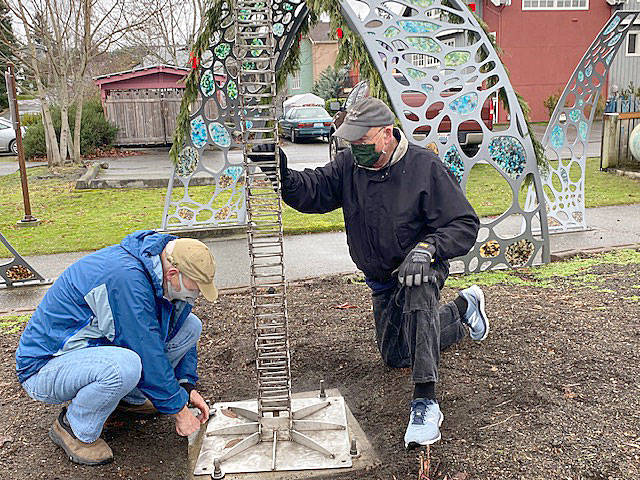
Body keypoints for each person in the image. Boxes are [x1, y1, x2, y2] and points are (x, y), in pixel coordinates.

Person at [251, 97, 490, 449]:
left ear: (385, 134)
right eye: (351, 142)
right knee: (397, 356)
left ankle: (426, 401)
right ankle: (463, 310)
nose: (355, 148)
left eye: (362, 142)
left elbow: (464, 224)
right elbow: (313, 191)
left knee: (418, 289)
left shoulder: (425, 167)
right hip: (380, 278)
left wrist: (427, 249)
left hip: (419, 265)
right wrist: (280, 174)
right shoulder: (349, 166)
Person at [15, 231, 218, 465]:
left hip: (92, 353)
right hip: (45, 366)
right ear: (173, 274)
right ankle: (74, 428)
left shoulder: (159, 270)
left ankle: (131, 400)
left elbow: (173, 326)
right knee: (125, 366)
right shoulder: (126, 282)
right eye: (197, 287)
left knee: (191, 326)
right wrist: (179, 411)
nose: (198, 293)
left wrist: (185, 387)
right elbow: (146, 352)